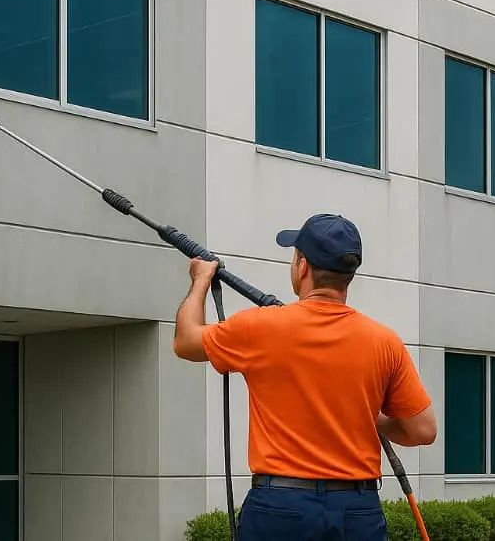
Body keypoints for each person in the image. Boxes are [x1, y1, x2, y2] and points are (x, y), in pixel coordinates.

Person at [173, 213, 436, 541]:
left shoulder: (260, 327)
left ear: (303, 267)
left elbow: (185, 341)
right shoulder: (385, 342)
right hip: (356, 510)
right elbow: (423, 430)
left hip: (281, 506)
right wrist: (367, 416)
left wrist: (200, 280)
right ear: (348, 277)